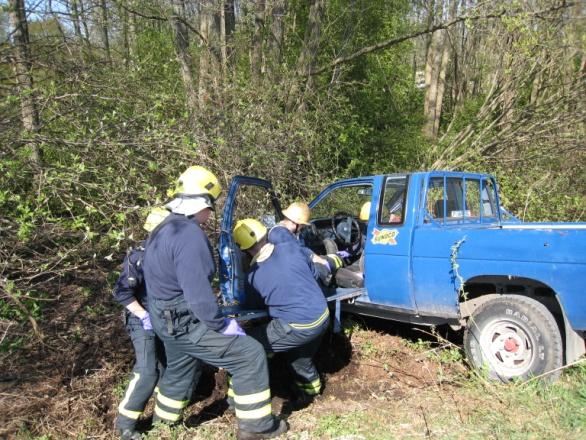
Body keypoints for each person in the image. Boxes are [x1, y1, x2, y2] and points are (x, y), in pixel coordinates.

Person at [143, 166, 287, 440]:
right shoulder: (189, 235)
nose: (210, 215)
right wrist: (221, 325)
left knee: (180, 365)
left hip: (164, 319)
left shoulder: (163, 228)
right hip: (185, 322)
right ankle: (257, 428)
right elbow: (197, 295)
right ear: (199, 204)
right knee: (249, 354)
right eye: (210, 207)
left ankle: (162, 426)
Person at [114, 207, 204, 440]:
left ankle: (161, 418)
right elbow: (122, 292)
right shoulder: (137, 256)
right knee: (147, 370)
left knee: (170, 366)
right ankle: (125, 424)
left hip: (165, 317)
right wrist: (143, 315)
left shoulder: (172, 251)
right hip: (141, 319)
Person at [233, 218, 330, 407]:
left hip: (297, 326)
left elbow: (254, 308)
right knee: (299, 357)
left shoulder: (253, 276)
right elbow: (313, 272)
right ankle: (313, 392)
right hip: (322, 316)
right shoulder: (289, 248)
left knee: (246, 346)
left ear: (243, 249)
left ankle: (235, 398)